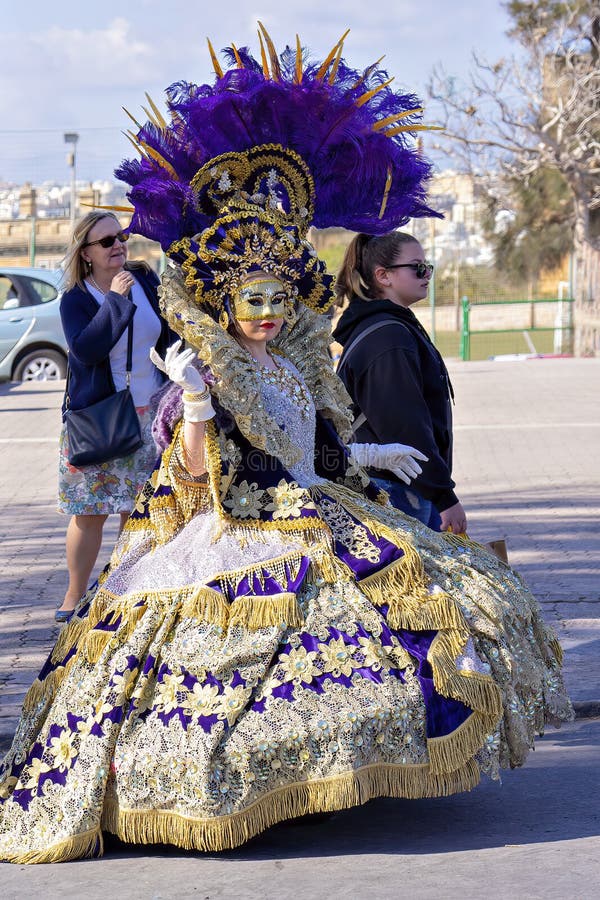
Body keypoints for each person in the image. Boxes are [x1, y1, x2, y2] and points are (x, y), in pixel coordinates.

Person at [0, 30, 571, 864]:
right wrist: (195, 402)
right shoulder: (214, 372)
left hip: (315, 500)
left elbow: (313, 450)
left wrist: (364, 460)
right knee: (252, 660)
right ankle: (248, 789)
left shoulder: (298, 365)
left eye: (278, 296)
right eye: (252, 297)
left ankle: (343, 774)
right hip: (240, 522)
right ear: (226, 302)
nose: (267, 311)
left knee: (436, 603)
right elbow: (199, 479)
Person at [56, 211, 176, 623]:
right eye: (106, 242)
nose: (118, 246)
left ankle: (129, 592)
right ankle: (73, 597)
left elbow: (170, 335)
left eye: (121, 237)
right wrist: (116, 302)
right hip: (100, 417)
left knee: (138, 511)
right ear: (86, 253)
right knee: (90, 512)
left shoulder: (144, 279)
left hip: (152, 413)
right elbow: (87, 350)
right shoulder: (76, 298)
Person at [333, 231, 465, 533]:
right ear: (384, 276)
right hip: (395, 491)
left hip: (402, 486)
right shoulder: (386, 336)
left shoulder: (390, 326)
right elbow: (405, 426)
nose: (427, 274)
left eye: (427, 266)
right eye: (417, 267)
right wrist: (444, 497)